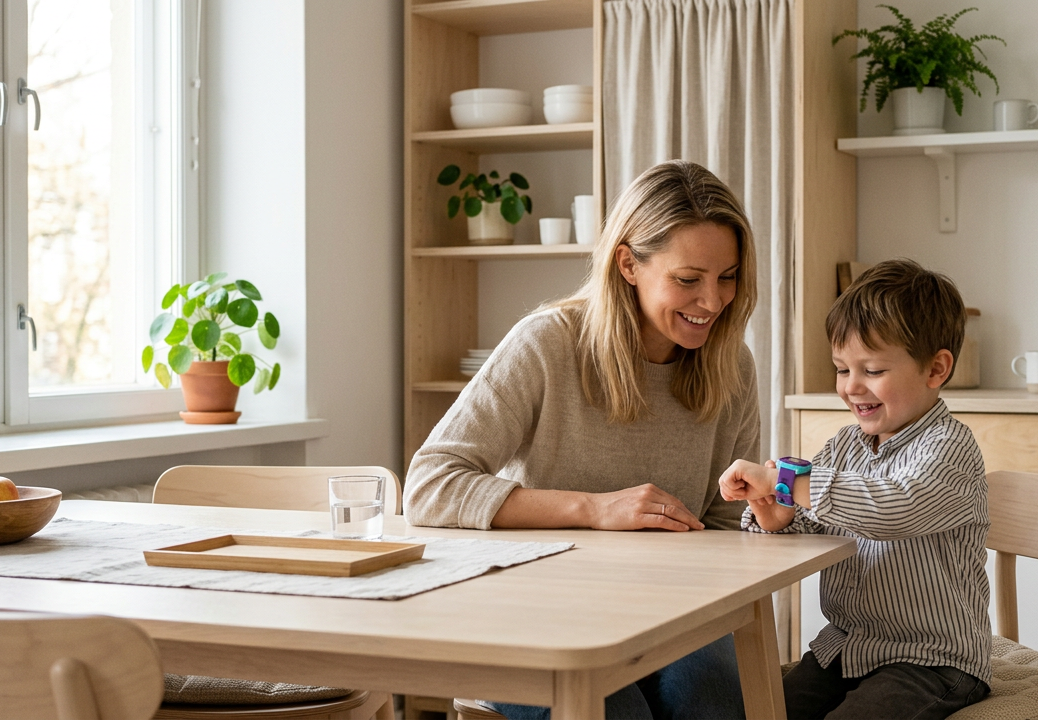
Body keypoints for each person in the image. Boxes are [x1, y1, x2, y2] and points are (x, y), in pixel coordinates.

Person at [405, 160, 760, 720]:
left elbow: (722, 524)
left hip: (670, 608)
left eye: (728, 277)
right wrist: (594, 510)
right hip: (537, 612)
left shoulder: (731, 365)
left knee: (709, 700)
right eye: (688, 279)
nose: (713, 302)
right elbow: (430, 486)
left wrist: (765, 515)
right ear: (628, 264)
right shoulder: (547, 344)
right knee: (616, 713)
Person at [718, 259, 992, 720]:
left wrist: (788, 481)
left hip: (930, 661)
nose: (852, 387)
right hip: (844, 652)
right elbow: (810, 520)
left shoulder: (950, 447)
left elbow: (893, 509)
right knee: (757, 711)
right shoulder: (844, 445)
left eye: (872, 370)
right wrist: (776, 515)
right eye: (842, 369)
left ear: (936, 369)